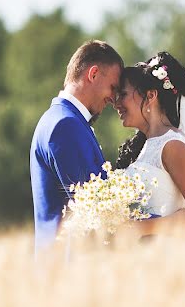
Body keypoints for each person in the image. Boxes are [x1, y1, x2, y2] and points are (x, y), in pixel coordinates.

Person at [114, 51, 185, 240]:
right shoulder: (144, 146)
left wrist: (138, 228)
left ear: (150, 95)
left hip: (168, 254)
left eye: (123, 94)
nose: (116, 103)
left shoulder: (173, 145)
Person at [30, 40, 123, 252]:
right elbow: (96, 209)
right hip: (67, 267)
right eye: (113, 88)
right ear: (93, 74)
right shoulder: (65, 125)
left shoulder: (62, 119)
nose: (114, 98)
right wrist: (162, 222)